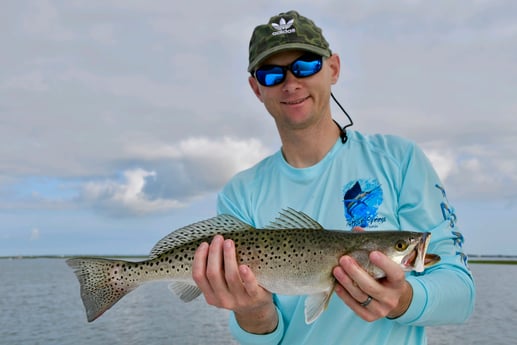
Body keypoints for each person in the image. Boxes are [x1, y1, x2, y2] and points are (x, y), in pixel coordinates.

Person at [192, 10, 475, 345]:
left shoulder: (400, 159)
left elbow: (461, 295)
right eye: (271, 74)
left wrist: (402, 299)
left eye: (306, 65)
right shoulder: (240, 193)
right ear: (256, 88)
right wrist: (253, 313)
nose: (291, 82)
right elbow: (262, 334)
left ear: (334, 69)